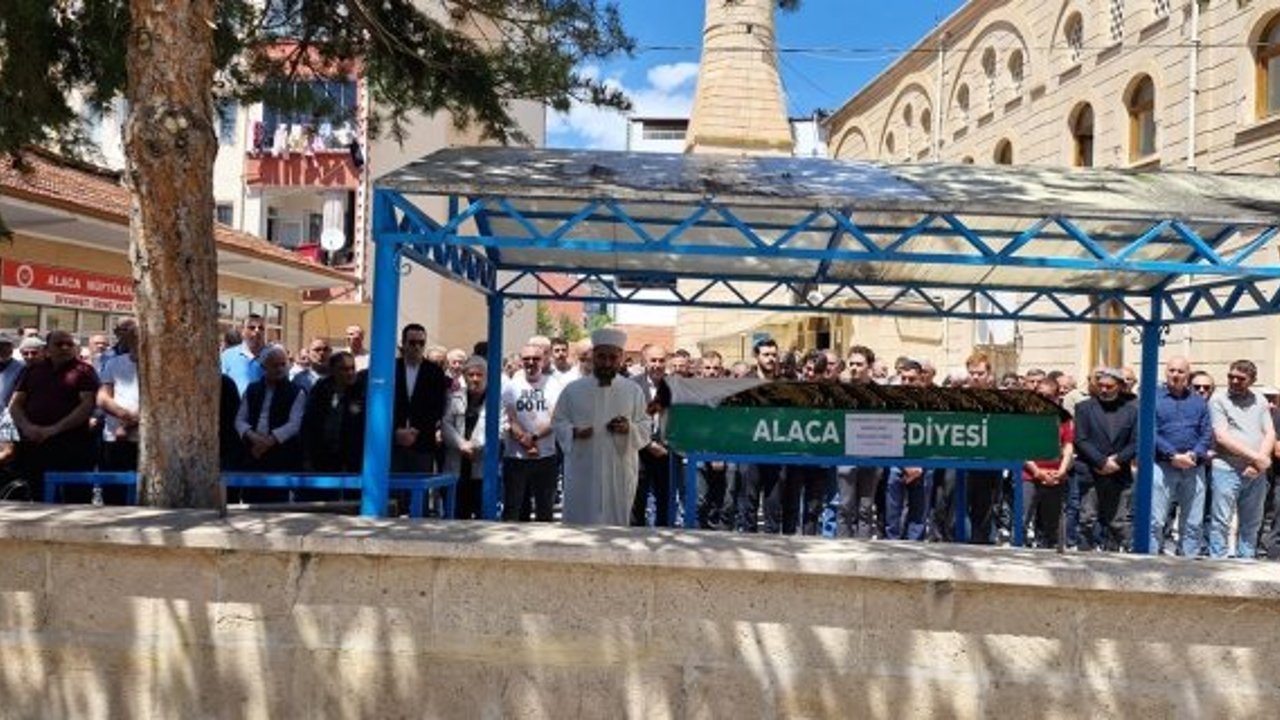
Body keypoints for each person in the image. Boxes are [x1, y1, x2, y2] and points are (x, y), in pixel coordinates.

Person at [552, 328, 650, 526]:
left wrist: (628, 428)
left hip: (619, 470)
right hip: (583, 468)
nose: (607, 363)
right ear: (593, 357)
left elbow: (645, 426)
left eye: (612, 358)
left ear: (621, 358)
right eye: (602, 357)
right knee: (581, 523)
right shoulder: (573, 390)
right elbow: (558, 421)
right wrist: (574, 432)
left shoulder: (633, 391)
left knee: (616, 526)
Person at [8, 330, 99, 502]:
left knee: (76, 498)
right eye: (59, 344)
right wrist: (27, 427)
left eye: (69, 344)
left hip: (72, 445)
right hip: (35, 443)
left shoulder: (84, 370)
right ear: (47, 347)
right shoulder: (33, 370)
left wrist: (54, 429)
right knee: (37, 495)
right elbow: (15, 403)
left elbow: (87, 405)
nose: (65, 348)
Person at [1207, 360, 1275, 559]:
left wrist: (1258, 464)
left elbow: (1269, 432)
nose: (1234, 381)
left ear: (1252, 380)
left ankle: (1246, 563)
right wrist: (1259, 458)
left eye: (1240, 378)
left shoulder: (1260, 400)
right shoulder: (1218, 400)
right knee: (1221, 521)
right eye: (1231, 377)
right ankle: (1216, 563)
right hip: (1226, 467)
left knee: (1252, 521)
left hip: (1256, 471)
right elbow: (1221, 437)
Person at [1148, 356, 1212, 556]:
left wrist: (1193, 454)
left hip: (1194, 467)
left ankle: (1188, 563)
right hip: (1163, 465)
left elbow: (1207, 432)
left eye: (1181, 371)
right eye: (1172, 370)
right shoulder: (1153, 399)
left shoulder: (1198, 402)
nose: (1175, 375)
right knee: (1155, 520)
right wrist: (1172, 455)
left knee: (1193, 522)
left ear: (1188, 375)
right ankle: (1149, 563)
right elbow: (1150, 431)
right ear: (1166, 372)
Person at [1072, 367, 1139, 552]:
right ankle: (1084, 556)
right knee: (1087, 519)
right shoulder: (1084, 408)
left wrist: (1117, 462)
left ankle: (1114, 558)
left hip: (1119, 473)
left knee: (1118, 522)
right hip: (1091, 472)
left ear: (1119, 386)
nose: (1104, 390)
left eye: (1109, 386)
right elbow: (1080, 439)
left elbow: (1136, 441)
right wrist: (1101, 462)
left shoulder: (1131, 411)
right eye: (1100, 385)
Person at [501, 343, 561, 522]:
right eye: (526, 359)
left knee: (545, 510)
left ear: (544, 360)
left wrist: (533, 437)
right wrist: (524, 439)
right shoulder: (511, 386)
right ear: (521, 361)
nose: (531, 363)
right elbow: (509, 417)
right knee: (514, 509)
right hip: (516, 457)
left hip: (546, 456)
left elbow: (555, 417)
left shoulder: (553, 384)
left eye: (536, 359)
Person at [234, 345, 305, 479]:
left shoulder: (296, 392)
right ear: (264, 367)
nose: (279, 369)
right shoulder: (252, 389)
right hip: (254, 453)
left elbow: (294, 424)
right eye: (274, 365)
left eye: (283, 364)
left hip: (282, 456)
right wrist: (255, 439)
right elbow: (239, 420)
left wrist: (269, 442)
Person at [737, 338, 785, 533]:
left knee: (774, 505)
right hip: (750, 450)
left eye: (774, 355)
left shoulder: (784, 383)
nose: (771, 359)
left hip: (777, 451)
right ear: (756, 357)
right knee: (748, 504)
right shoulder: (745, 383)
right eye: (766, 355)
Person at [836, 344, 882, 539]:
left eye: (859, 364)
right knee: (845, 506)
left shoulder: (879, 393)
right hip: (846, 454)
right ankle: (842, 547)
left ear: (869, 366)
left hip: (871, 456)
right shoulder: (841, 392)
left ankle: (863, 551)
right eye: (851, 363)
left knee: (865, 508)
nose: (854, 368)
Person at [1022, 377, 1073, 549]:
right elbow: (1021, 447)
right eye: (1039, 395)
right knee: (1022, 520)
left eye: (1048, 396)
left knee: (1052, 526)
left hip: (1056, 475)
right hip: (1029, 475)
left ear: (1057, 397)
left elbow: (1068, 445)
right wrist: (1037, 472)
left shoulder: (1063, 419)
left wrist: (1062, 470)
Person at [442, 355, 495, 520]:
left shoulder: (495, 399)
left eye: (479, 375)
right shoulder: (454, 397)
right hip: (457, 465)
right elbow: (445, 424)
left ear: (487, 376)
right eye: (471, 375)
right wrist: (461, 444)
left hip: (482, 466)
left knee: (482, 516)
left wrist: (476, 445)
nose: (475, 379)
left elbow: (499, 427)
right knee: (457, 514)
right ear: (464, 376)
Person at [392, 324, 448, 475]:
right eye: (412, 343)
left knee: (419, 493)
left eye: (421, 343)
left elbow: (438, 407)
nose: (417, 347)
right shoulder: (391, 369)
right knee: (393, 493)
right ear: (403, 344)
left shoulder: (435, 372)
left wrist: (416, 431)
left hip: (422, 443)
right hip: (393, 444)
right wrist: (396, 431)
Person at [301, 351, 366, 473]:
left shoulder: (361, 391)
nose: (350, 373)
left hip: (352, 459)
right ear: (332, 370)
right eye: (344, 369)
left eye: (352, 368)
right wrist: (307, 458)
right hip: (323, 458)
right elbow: (309, 424)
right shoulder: (320, 390)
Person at [630, 344, 673, 527]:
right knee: (637, 501)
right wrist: (647, 444)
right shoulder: (632, 385)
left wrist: (667, 445)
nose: (657, 364)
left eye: (661, 360)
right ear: (644, 362)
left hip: (667, 453)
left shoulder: (675, 385)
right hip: (640, 452)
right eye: (653, 360)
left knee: (665, 501)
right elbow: (628, 418)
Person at [97, 318, 140, 473]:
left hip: (145, 439)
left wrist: (128, 424)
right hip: (114, 436)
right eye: (134, 338)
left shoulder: (163, 367)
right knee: (113, 492)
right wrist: (123, 416)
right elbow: (103, 397)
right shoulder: (114, 363)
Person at [221, 314, 266, 395]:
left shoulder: (272, 356)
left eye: (261, 328)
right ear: (242, 331)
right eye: (251, 327)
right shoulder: (227, 356)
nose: (257, 331)